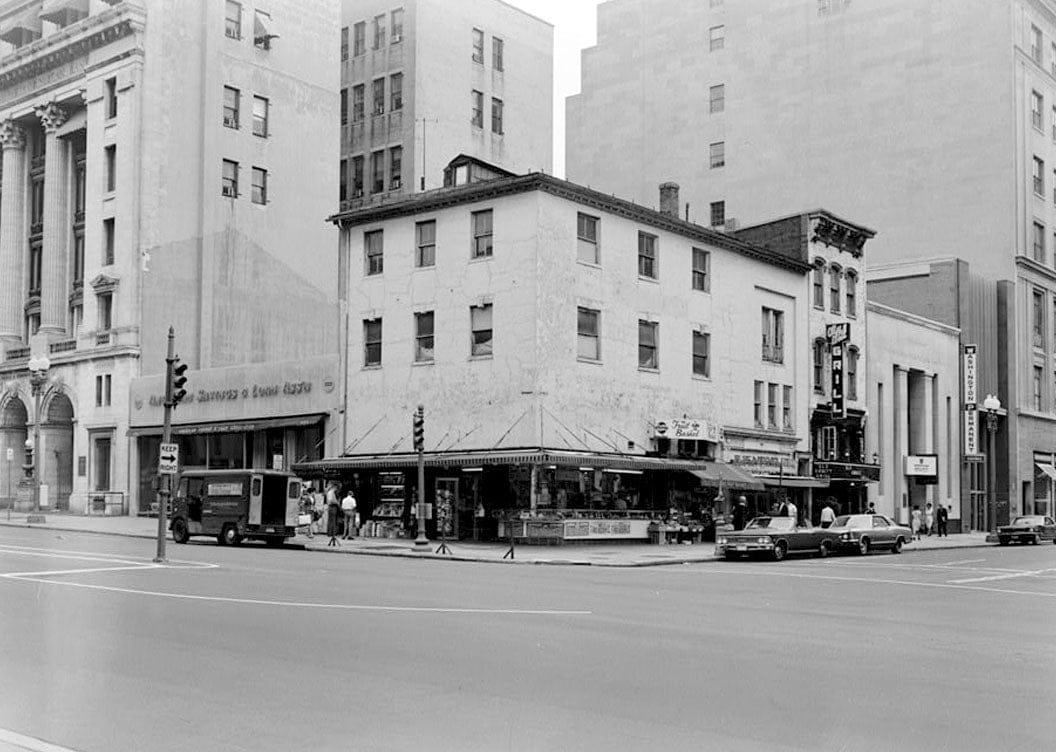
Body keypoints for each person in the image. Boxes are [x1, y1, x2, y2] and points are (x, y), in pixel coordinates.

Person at [325, 482, 341, 547]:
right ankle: (332, 533)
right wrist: (337, 503)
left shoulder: (329, 492)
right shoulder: (331, 492)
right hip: (333, 506)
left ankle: (332, 533)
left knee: (332, 520)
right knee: (333, 521)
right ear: (334, 487)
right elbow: (332, 500)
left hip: (331, 507)